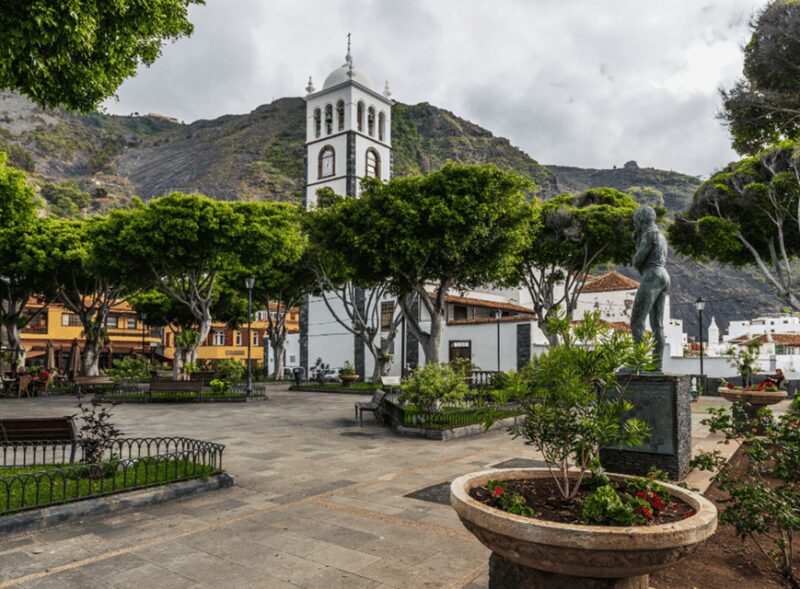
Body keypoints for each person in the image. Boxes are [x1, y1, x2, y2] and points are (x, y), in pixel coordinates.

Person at [630, 206, 670, 371]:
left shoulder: (649, 234)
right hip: (664, 275)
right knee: (657, 325)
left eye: (636, 221)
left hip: (652, 275)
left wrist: (636, 242)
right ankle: (656, 366)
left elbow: (638, 260)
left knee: (636, 322)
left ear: (640, 220)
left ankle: (637, 365)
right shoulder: (661, 235)